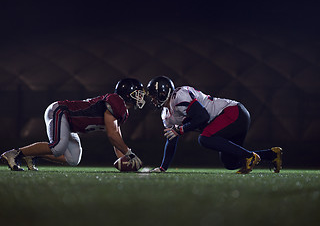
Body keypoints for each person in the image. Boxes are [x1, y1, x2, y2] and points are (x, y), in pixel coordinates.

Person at [1, 78, 145, 171]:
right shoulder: (115, 101)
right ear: (127, 93)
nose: (141, 97)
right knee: (58, 147)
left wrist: (125, 159)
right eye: (138, 93)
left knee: (73, 159)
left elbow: (116, 140)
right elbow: (112, 135)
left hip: (70, 123)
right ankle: (14, 153)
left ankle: (32, 156)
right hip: (60, 111)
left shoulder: (121, 111)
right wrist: (130, 153)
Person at [146, 76, 283, 174]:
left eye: (154, 95)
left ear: (164, 92)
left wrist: (181, 129)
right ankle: (271, 155)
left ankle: (249, 156)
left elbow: (203, 116)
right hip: (228, 120)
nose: (152, 99)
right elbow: (171, 141)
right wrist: (163, 167)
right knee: (230, 163)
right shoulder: (166, 115)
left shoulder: (179, 96)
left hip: (233, 112)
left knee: (205, 138)